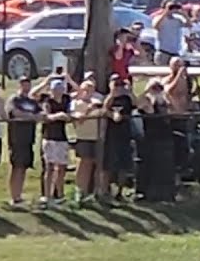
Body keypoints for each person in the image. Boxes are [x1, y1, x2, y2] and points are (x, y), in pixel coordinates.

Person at [135, 78, 178, 202]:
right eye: (155, 88)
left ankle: (166, 193)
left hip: (165, 137)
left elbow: (176, 111)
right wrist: (148, 91)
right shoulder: (147, 101)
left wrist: (167, 96)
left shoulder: (164, 102)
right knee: (150, 166)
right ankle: (149, 193)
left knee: (165, 167)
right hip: (151, 139)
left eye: (159, 88)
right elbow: (139, 103)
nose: (157, 90)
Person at [34, 76, 73, 206]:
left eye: (60, 88)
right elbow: (46, 116)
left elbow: (70, 114)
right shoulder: (47, 101)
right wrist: (58, 116)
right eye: (55, 89)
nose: (58, 91)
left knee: (62, 167)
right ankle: (46, 195)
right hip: (49, 136)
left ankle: (60, 195)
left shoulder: (66, 100)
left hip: (62, 137)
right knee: (49, 167)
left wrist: (67, 116)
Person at [100, 75, 136, 203]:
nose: (118, 87)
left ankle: (119, 192)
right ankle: (104, 191)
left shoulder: (126, 98)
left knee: (123, 165)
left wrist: (129, 91)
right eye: (116, 84)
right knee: (107, 165)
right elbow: (104, 109)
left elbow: (135, 104)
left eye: (120, 84)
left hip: (124, 134)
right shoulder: (108, 97)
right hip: (111, 135)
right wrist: (112, 94)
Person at [4, 77, 39, 206]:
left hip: (29, 139)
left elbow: (40, 113)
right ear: (19, 85)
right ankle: (14, 196)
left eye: (28, 84)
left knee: (24, 167)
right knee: (16, 167)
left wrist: (33, 116)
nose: (26, 86)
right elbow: (15, 112)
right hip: (17, 138)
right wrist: (31, 116)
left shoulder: (32, 101)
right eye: (24, 84)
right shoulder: (14, 99)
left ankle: (19, 195)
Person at [70, 77, 104, 203]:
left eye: (91, 89)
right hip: (83, 137)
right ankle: (79, 191)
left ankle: (94, 192)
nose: (88, 92)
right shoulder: (76, 104)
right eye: (86, 89)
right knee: (83, 164)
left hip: (96, 137)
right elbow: (79, 119)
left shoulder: (97, 102)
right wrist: (90, 108)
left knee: (95, 164)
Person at [151, 0, 189, 65]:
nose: (172, 9)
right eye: (170, 7)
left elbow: (189, 25)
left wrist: (183, 13)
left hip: (175, 52)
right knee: (161, 74)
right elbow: (155, 26)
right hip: (163, 52)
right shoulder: (158, 18)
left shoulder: (178, 19)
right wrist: (165, 12)